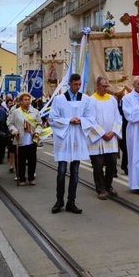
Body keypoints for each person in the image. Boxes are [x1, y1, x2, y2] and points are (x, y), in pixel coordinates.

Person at [49, 73, 95, 214]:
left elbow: (91, 117)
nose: (78, 87)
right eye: (76, 84)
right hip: (64, 137)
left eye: (80, 84)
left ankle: (71, 201)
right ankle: (59, 200)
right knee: (62, 171)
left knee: (75, 172)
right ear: (69, 83)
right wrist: (69, 120)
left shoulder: (86, 99)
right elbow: (52, 118)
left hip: (77, 137)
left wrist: (81, 120)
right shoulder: (59, 99)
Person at [88, 76, 122, 200]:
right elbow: (90, 120)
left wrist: (113, 132)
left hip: (111, 138)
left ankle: (108, 185)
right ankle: (100, 188)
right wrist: (102, 133)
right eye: (104, 86)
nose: (106, 88)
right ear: (97, 86)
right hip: (97, 139)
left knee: (112, 163)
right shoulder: (91, 100)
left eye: (107, 86)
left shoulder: (112, 99)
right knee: (98, 165)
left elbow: (118, 117)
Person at [7, 92, 41, 186]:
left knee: (32, 160)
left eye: (28, 100)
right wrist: (14, 131)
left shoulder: (35, 112)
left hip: (31, 139)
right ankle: (21, 178)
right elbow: (10, 123)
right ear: (20, 101)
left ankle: (31, 178)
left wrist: (37, 131)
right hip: (20, 140)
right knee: (20, 161)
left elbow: (39, 124)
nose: (27, 101)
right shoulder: (16, 112)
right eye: (25, 100)